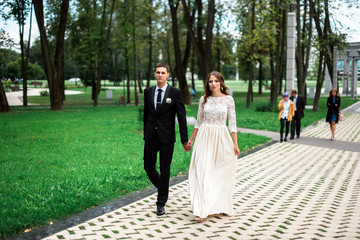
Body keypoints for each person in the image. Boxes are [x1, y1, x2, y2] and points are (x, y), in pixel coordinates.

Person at [186, 71, 240, 222]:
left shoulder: (229, 100)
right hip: (204, 137)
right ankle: (201, 210)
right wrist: (191, 140)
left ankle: (217, 206)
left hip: (221, 138)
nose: (213, 84)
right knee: (202, 171)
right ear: (208, 83)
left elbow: (233, 123)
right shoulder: (204, 99)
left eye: (216, 81)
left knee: (219, 172)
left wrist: (235, 143)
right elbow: (198, 122)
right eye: (211, 81)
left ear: (221, 83)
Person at [143, 62, 191, 216]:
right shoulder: (148, 92)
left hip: (167, 137)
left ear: (168, 75)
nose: (160, 75)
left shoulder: (175, 93)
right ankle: (163, 187)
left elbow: (182, 117)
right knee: (148, 166)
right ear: (154, 74)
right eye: (158, 72)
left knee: (165, 169)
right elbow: (146, 115)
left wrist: (185, 140)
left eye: (163, 72)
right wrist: (146, 132)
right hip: (151, 136)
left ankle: (161, 203)